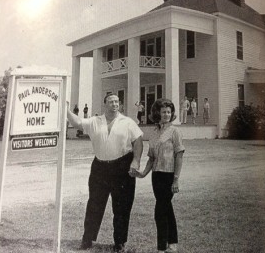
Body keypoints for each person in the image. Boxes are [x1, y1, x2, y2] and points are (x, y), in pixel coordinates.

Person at [67, 93, 143, 253]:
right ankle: (87, 239)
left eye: (116, 102)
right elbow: (77, 122)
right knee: (94, 204)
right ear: (105, 104)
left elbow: (138, 141)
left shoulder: (128, 122)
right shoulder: (95, 121)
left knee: (121, 207)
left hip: (122, 167)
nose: (114, 104)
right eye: (110, 101)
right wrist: (65, 109)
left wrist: (136, 161)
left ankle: (120, 242)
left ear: (119, 104)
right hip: (100, 168)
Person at [133, 98, 185, 253]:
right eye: (163, 112)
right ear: (157, 113)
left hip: (169, 175)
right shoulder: (154, 133)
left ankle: (161, 247)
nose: (166, 115)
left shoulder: (175, 131)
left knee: (160, 210)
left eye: (169, 112)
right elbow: (151, 158)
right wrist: (142, 173)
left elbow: (179, 156)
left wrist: (176, 179)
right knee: (166, 208)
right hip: (156, 176)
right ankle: (172, 244)